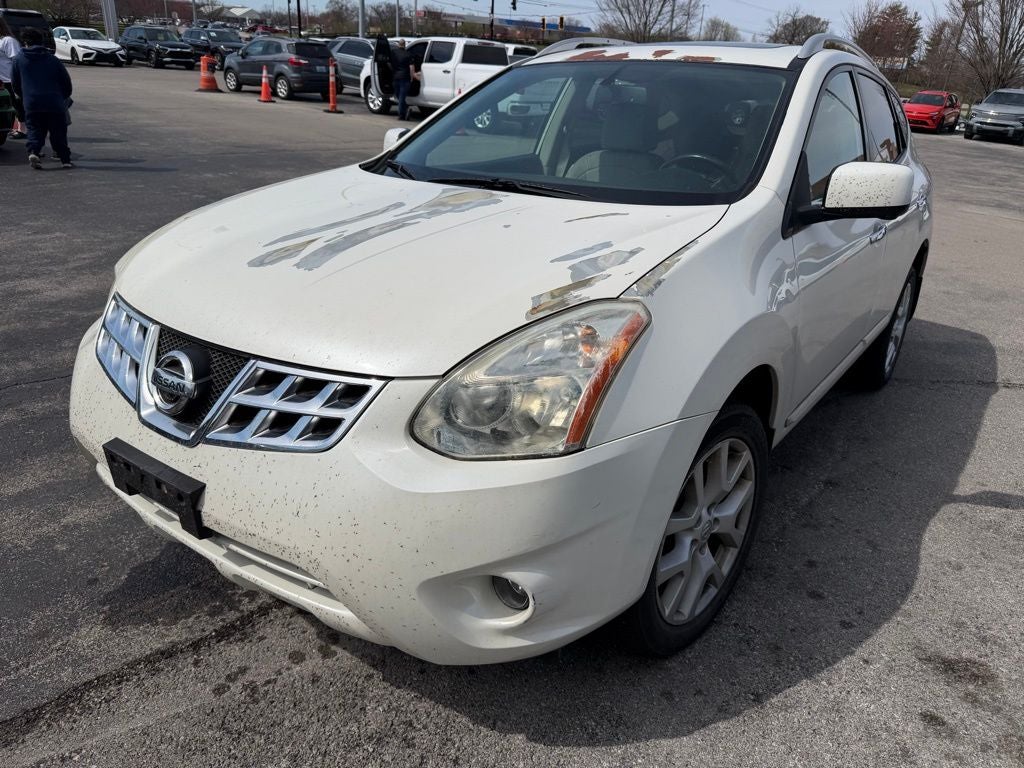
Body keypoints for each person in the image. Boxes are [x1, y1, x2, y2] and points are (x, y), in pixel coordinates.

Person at [10, 27, 73, 169]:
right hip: (54, 101)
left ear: (25, 42)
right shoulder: (53, 59)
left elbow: (15, 82)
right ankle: (65, 159)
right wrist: (63, 96)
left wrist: (23, 96)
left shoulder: (19, 59)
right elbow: (66, 82)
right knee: (58, 130)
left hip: (32, 101)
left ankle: (34, 152)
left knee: (34, 129)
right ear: (41, 41)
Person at [0, 17, 26, 139]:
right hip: (1, 81)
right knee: (7, 107)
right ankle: (15, 128)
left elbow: (17, 60)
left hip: (10, 80)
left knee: (17, 105)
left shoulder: (8, 41)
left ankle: (22, 130)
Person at [390, 39, 420, 122]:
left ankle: (402, 113)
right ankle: (403, 112)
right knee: (401, 97)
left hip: (396, 77)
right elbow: (411, 67)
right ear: (404, 45)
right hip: (405, 78)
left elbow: (389, 63)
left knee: (398, 96)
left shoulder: (393, 53)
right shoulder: (408, 54)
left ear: (398, 45)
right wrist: (412, 77)